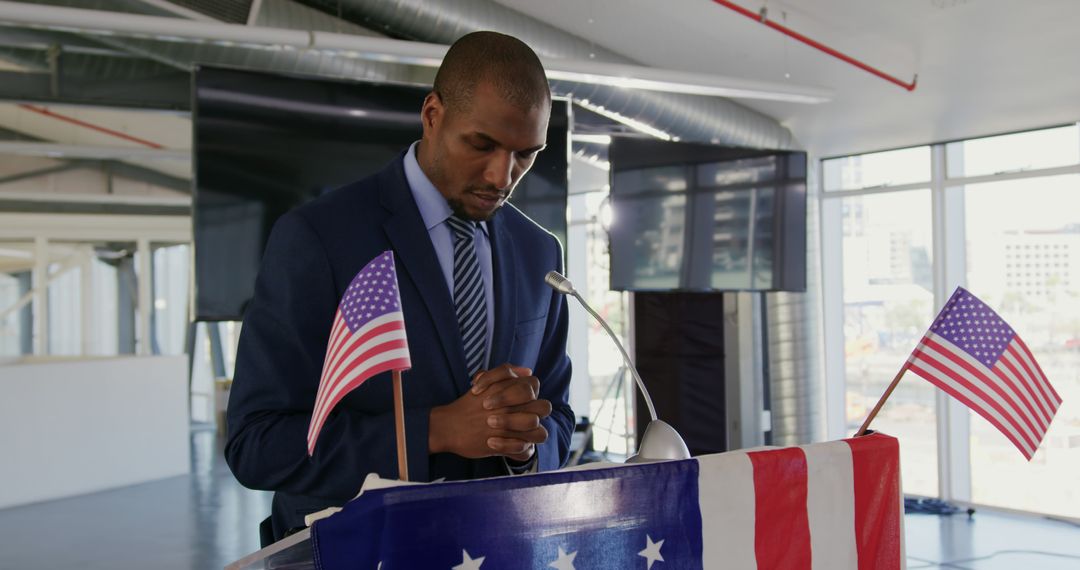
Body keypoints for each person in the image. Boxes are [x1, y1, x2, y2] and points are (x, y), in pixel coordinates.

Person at [224, 31, 575, 543]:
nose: (503, 175)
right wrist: (433, 430)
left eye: (527, 154)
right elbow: (256, 445)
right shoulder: (319, 237)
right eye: (482, 144)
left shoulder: (538, 252)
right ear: (433, 115)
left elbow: (559, 418)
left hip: (497, 547)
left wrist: (523, 447)